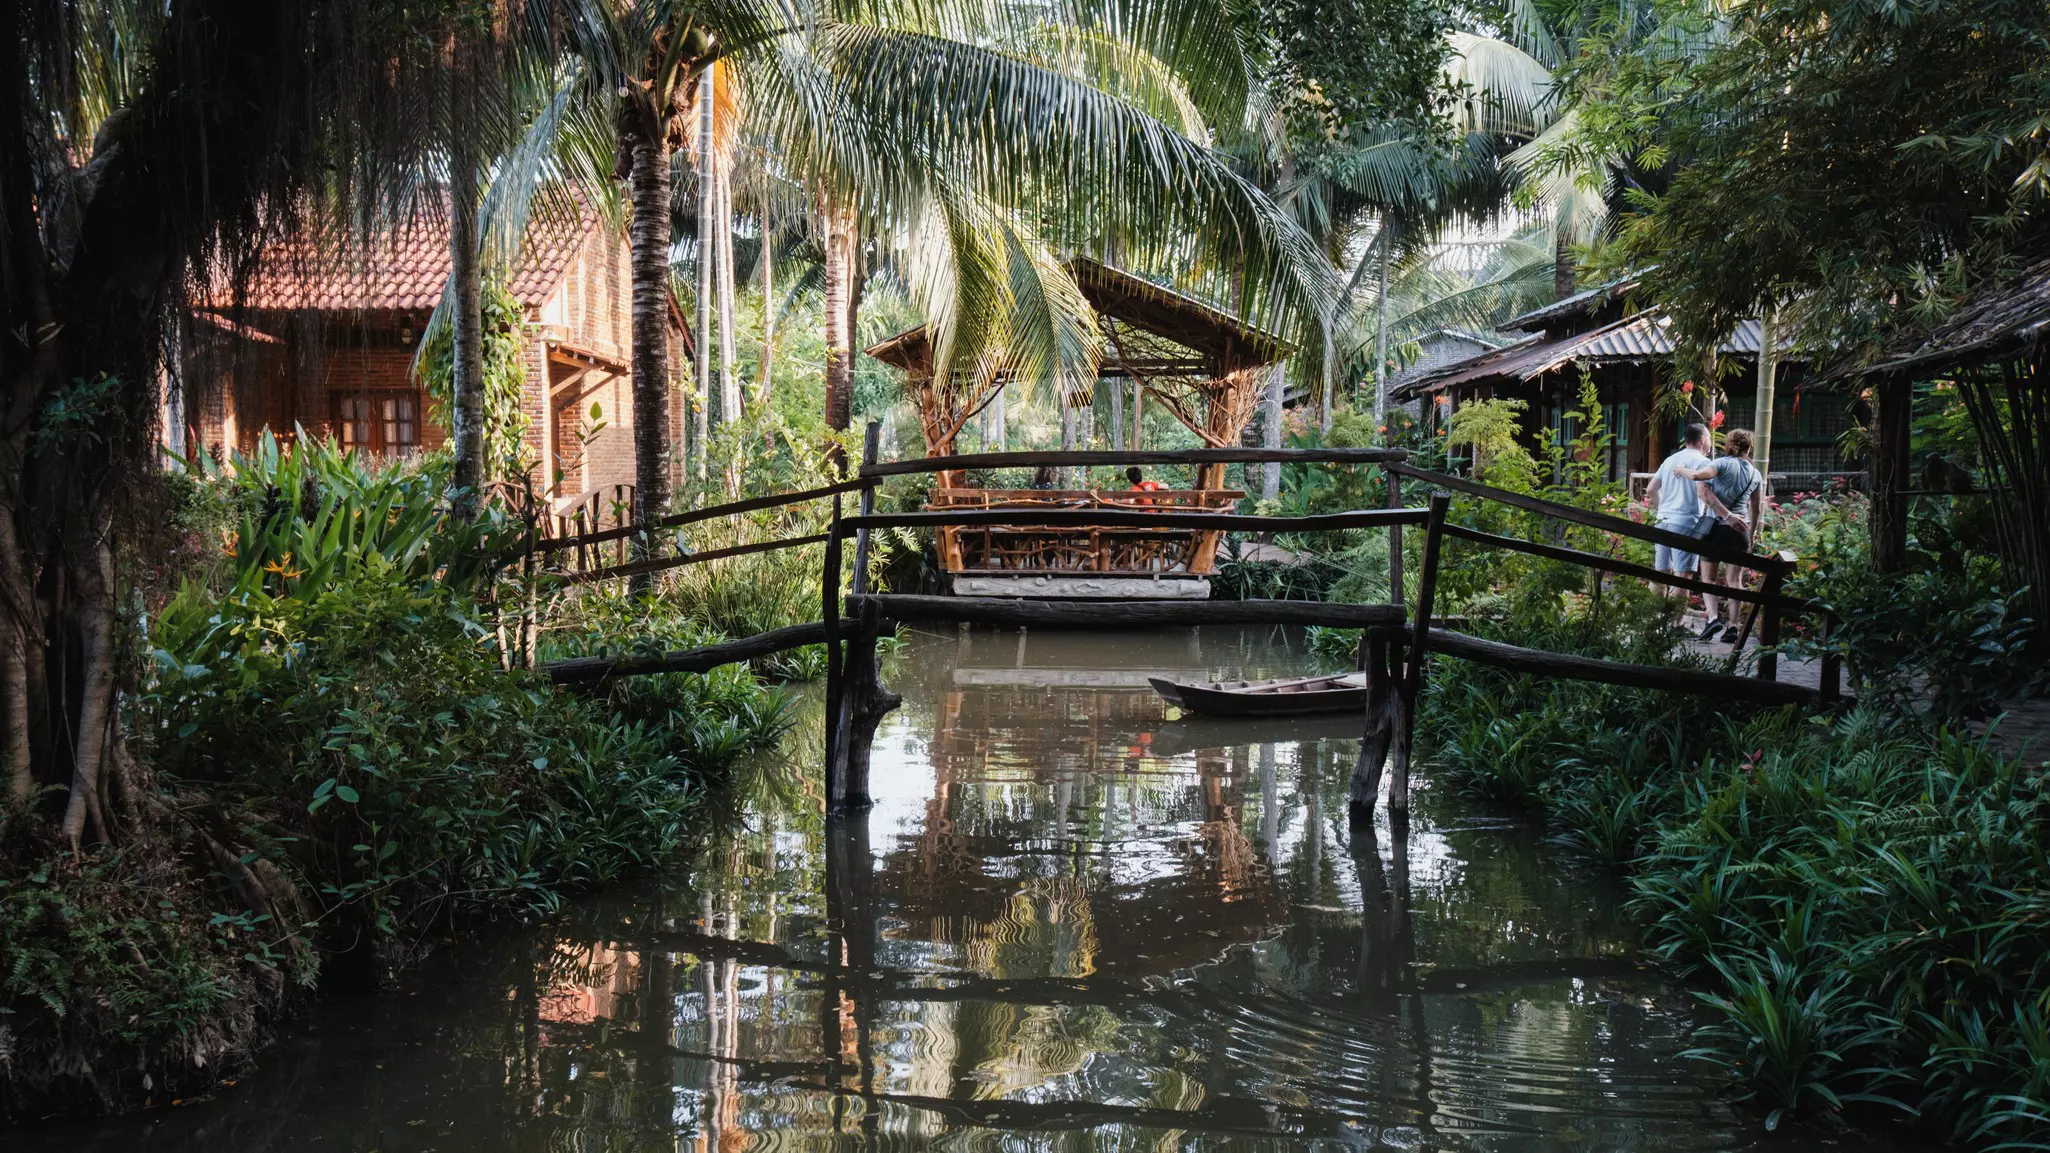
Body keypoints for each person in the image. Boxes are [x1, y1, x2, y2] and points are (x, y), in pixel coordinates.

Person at [1677, 428, 1764, 641]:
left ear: (1728, 444)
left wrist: (1682, 470)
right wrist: (1751, 535)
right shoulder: (1756, 473)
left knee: (1709, 578)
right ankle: (1733, 626)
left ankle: (1713, 618)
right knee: (1735, 580)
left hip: (1716, 527)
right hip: (1740, 530)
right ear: (1749, 448)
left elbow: (1699, 476)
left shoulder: (1722, 464)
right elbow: (1757, 508)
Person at [1643, 422, 1714, 594]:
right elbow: (1704, 494)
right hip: (1685, 522)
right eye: (1710, 438)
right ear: (1703, 440)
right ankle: (1676, 621)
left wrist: (1664, 509)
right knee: (1683, 576)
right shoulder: (1703, 462)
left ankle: (1654, 618)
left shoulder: (1670, 460)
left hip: (1663, 520)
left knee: (1660, 573)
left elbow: (1651, 489)